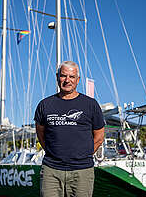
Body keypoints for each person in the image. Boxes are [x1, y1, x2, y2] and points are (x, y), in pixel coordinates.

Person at [34, 61, 105, 197]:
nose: (67, 80)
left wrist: (83, 154)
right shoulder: (45, 105)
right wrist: (54, 152)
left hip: (82, 170)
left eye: (72, 77)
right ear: (57, 77)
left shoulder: (91, 105)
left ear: (78, 80)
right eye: (63, 76)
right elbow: (41, 134)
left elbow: (99, 136)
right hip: (51, 170)